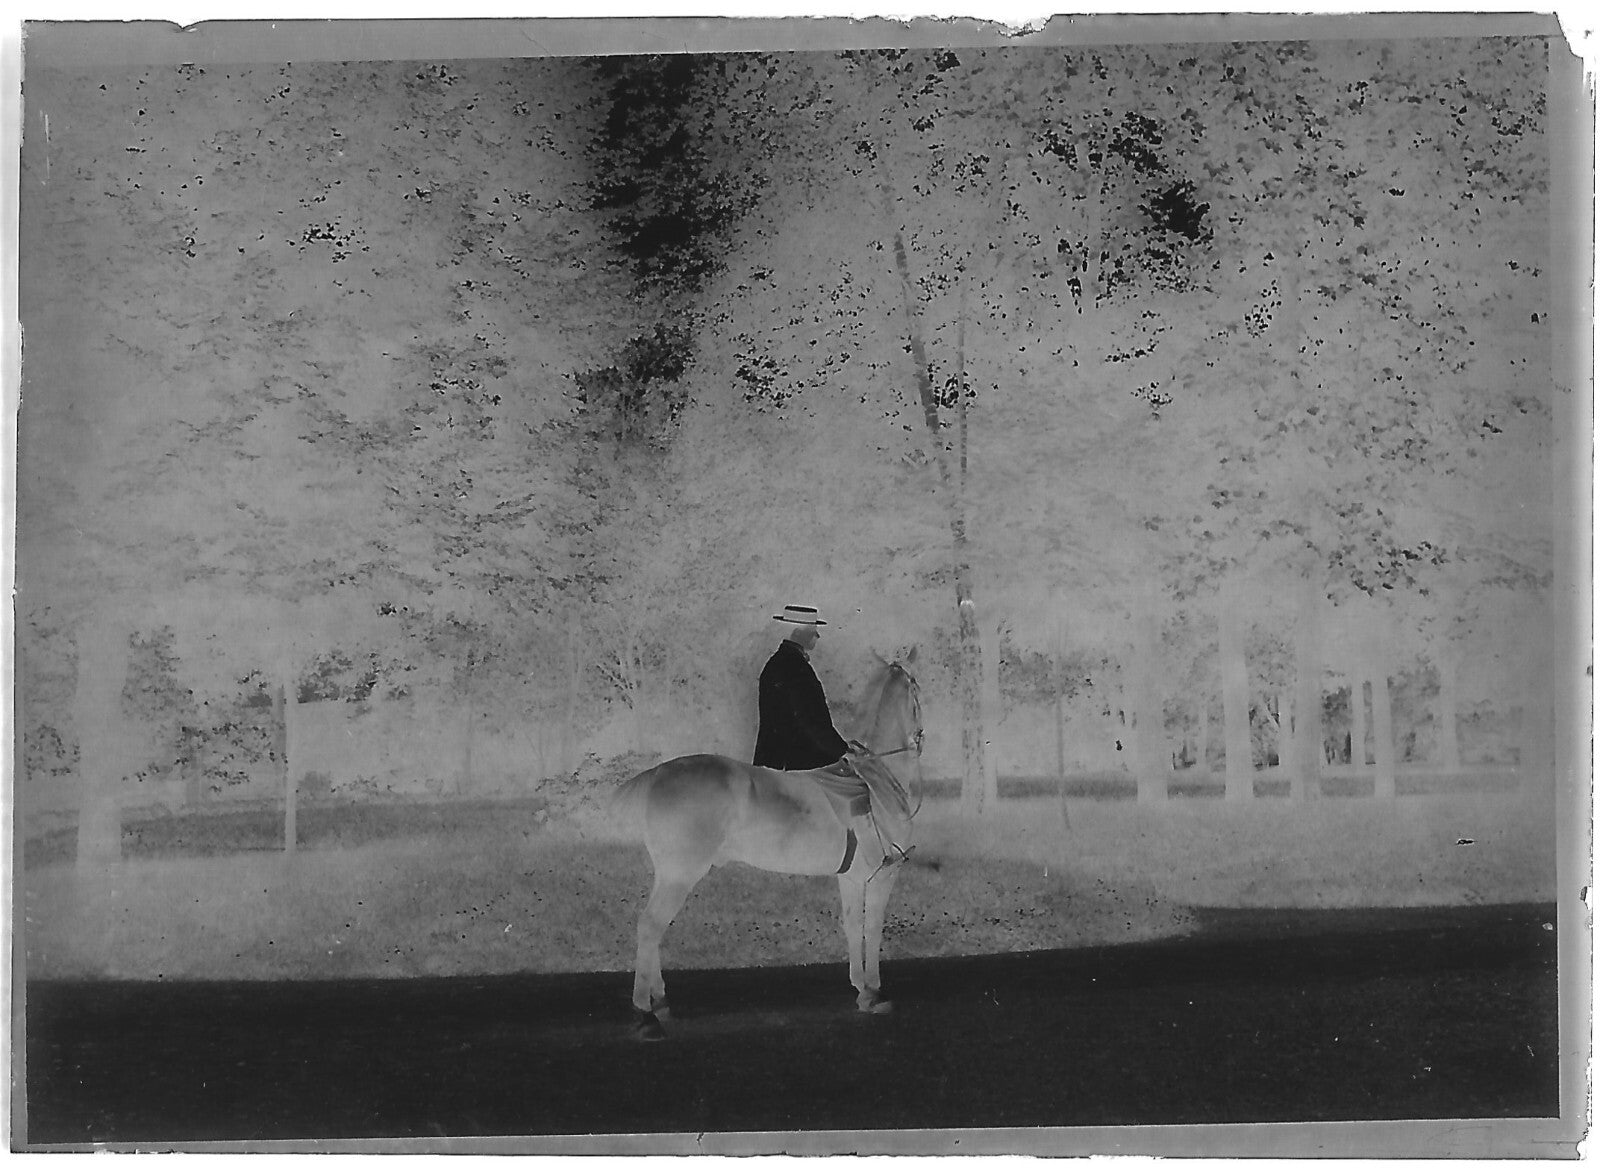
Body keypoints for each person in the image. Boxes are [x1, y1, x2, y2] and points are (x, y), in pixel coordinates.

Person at [752, 604, 851, 770]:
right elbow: (811, 721)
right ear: (797, 634)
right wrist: (843, 750)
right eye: (812, 632)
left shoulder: (778, 662)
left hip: (774, 760)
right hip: (797, 765)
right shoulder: (794, 668)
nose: (817, 636)